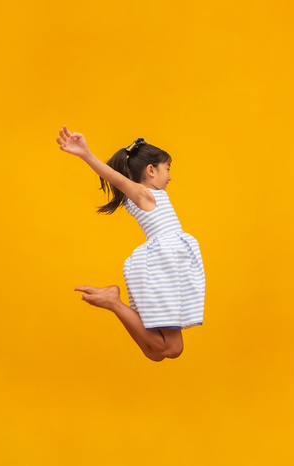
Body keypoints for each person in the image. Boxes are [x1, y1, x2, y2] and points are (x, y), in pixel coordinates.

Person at [56, 125, 206, 361]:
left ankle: (113, 301)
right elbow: (114, 177)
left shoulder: (144, 195)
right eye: (167, 168)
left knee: (155, 353)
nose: (170, 175)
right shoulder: (143, 194)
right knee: (172, 349)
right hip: (164, 263)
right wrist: (86, 154)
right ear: (151, 170)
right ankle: (113, 302)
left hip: (165, 263)